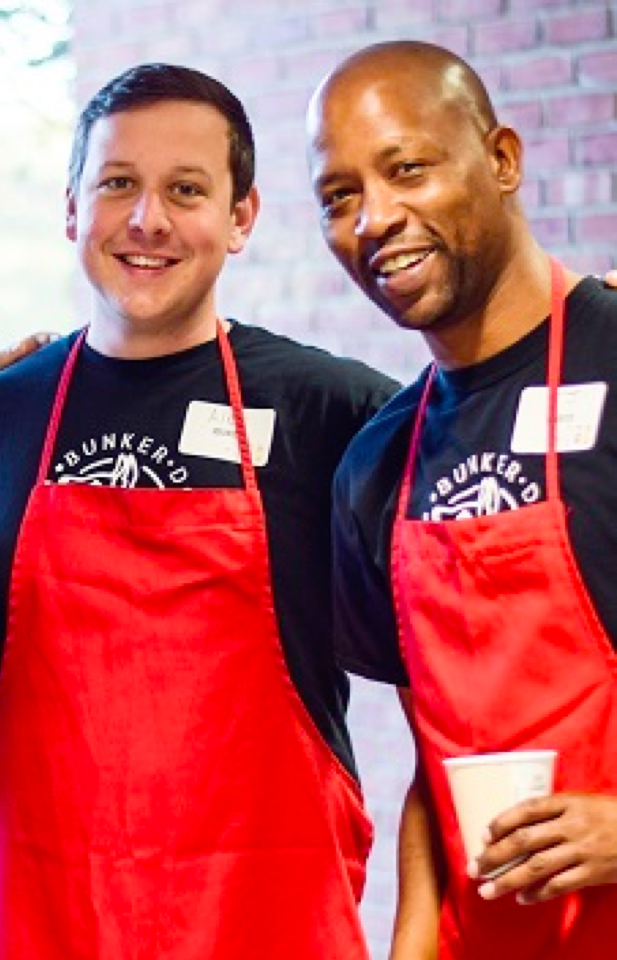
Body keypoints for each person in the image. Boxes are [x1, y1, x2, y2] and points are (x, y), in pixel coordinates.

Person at [0, 62, 398, 960]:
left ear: (242, 216)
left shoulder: (336, 415)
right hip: (40, 913)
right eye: (117, 185)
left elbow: (484, 630)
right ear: (72, 209)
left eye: (186, 189)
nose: (148, 220)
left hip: (264, 910)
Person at [307, 40, 617, 960]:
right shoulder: (378, 464)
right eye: (340, 196)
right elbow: (433, 764)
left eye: (408, 169)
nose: (375, 218)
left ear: (503, 160)